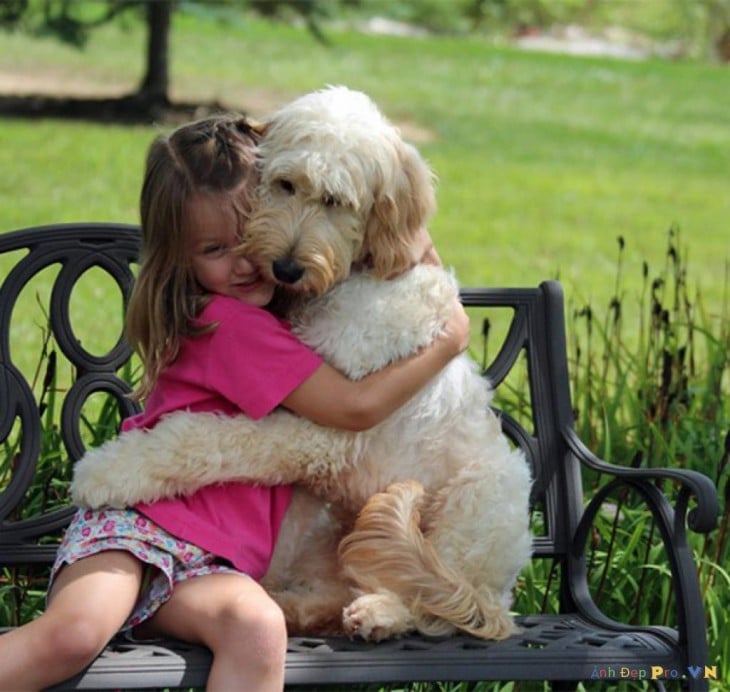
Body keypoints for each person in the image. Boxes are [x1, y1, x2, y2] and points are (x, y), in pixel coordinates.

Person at [0, 114, 469, 692]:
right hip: (140, 532)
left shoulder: (271, 314)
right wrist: (449, 340)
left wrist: (343, 151)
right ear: (182, 259)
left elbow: (395, 234)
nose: (245, 261)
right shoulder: (228, 326)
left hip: (216, 564)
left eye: (251, 234)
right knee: (71, 636)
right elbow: (353, 409)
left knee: (256, 626)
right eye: (216, 249)